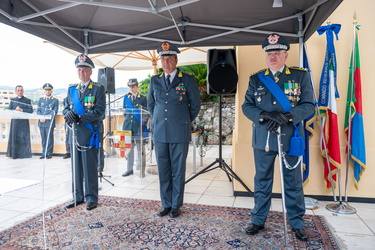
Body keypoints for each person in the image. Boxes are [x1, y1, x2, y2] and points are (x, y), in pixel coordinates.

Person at [242, 33, 315, 241]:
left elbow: (309, 104)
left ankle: (297, 221)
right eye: (269, 54)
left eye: (277, 53)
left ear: (285, 55)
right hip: (263, 138)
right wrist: (264, 115)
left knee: (292, 181)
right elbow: (247, 106)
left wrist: (288, 116)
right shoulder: (256, 79)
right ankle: (258, 219)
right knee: (262, 180)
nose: (272, 57)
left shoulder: (300, 76)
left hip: (289, 137)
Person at [148, 41, 201, 218]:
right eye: (163, 59)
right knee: (163, 170)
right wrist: (157, 121)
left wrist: (183, 121)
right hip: (160, 132)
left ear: (176, 61)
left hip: (179, 131)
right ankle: (166, 204)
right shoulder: (154, 80)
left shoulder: (187, 79)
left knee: (178, 171)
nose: (166, 62)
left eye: (169, 58)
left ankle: (176, 205)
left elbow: (195, 105)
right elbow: (151, 105)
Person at [63, 54, 106, 211]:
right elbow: (66, 106)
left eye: (84, 69)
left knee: (89, 166)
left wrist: (79, 117)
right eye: (79, 69)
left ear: (90, 71)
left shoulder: (98, 89)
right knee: (76, 167)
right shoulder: (72, 89)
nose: (81, 72)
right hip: (75, 134)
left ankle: (91, 197)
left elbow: (100, 111)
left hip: (89, 133)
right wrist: (67, 113)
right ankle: (77, 197)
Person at [122, 78, 148, 177]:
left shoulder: (143, 98)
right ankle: (129, 169)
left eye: (133, 87)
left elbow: (146, 114)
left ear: (137, 86)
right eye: (130, 87)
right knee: (129, 149)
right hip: (128, 126)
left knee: (140, 148)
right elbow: (125, 113)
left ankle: (142, 169)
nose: (131, 89)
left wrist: (144, 124)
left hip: (139, 126)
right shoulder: (126, 98)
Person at [6, 85, 33, 159]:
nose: (20, 92)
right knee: (14, 137)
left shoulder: (27, 100)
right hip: (15, 122)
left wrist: (21, 110)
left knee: (23, 138)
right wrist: (15, 110)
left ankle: (23, 154)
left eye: (21, 90)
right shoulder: (12, 100)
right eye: (18, 90)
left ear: (23, 91)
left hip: (23, 122)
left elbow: (31, 111)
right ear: (15, 91)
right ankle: (14, 154)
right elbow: (9, 110)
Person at [37, 83, 59, 159]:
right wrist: (41, 117)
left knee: (49, 138)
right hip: (41, 122)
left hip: (49, 122)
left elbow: (54, 111)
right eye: (46, 90)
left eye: (49, 90)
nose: (47, 92)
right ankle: (44, 153)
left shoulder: (55, 100)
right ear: (44, 91)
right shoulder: (41, 100)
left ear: (51, 91)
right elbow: (38, 110)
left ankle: (49, 153)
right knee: (43, 139)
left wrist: (45, 117)